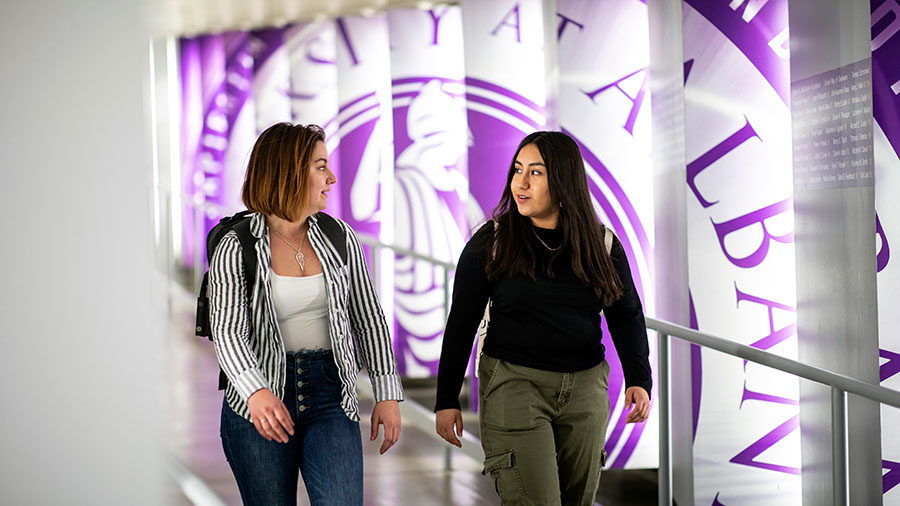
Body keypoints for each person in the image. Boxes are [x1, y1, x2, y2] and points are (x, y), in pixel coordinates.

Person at [434, 131, 652, 506]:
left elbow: (625, 313)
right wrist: (446, 399)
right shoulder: (493, 241)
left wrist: (639, 377)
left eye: (535, 172)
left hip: (585, 392)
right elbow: (461, 323)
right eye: (518, 170)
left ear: (563, 180)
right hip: (515, 386)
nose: (521, 181)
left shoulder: (601, 245)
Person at [208, 123, 403, 506]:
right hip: (258, 404)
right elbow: (227, 333)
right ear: (289, 172)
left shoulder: (338, 236)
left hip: (331, 395)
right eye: (320, 167)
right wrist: (256, 391)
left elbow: (368, 318)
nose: (331, 178)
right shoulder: (236, 245)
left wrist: (386, 391)